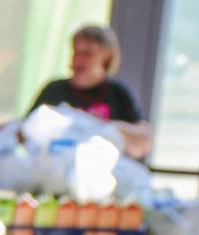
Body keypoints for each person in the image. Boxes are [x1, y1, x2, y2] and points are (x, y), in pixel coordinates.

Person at [29, 25, 154, 159]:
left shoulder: (117, 93)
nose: (78, 60)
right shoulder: (54, 90)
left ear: (107, 56)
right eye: (76, 52)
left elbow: (143, 141)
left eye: (87, 53)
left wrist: (100, 127)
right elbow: (23, 132)